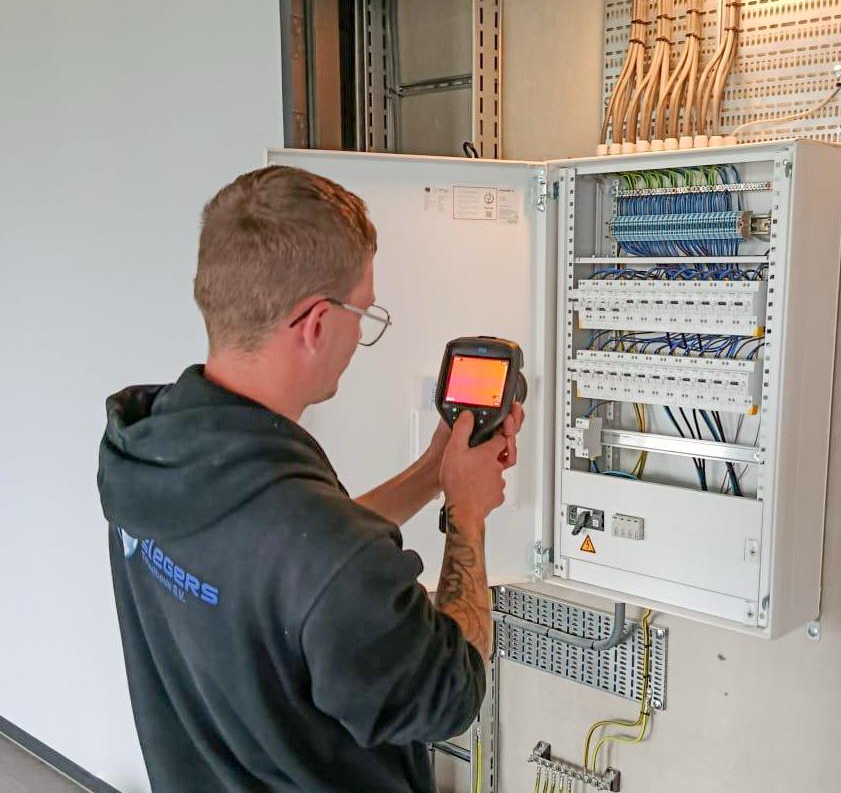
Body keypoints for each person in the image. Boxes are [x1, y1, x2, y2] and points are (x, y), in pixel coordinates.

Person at [97, 165, 523, 792]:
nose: (361, 332)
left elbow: (283, 559)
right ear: (317, 323)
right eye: (364, 312)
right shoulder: (324, 552)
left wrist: (434, 473)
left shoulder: (144, 447)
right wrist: (467, 515)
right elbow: (451, 692)